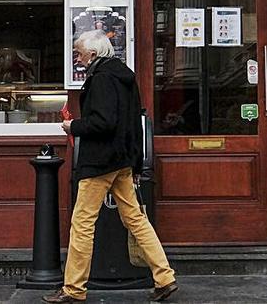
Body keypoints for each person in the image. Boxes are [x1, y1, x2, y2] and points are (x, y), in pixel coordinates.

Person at [44, 30, 178, 304]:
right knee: (136, 220)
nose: (78, 59)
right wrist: (136, 162)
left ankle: (73, 289)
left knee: (82, 224)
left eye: (79, 53)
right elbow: (132, 122)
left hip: (100, 162)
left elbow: (103, 123)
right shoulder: (124, 75)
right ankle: (165, 277)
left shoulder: (102, 79)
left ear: (93, 54)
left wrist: (74, 126)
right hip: (122, 161)